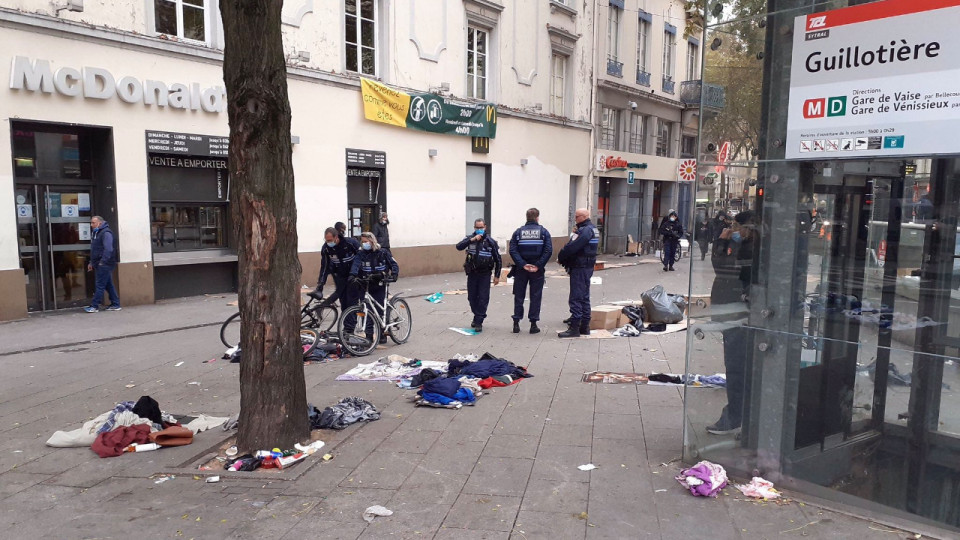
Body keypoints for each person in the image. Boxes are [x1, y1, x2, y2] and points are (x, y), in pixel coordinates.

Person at [707, 211, 756, 435]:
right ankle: (741, 417)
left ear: (748, 228)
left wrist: (723, 240)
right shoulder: (747, 245)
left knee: (737, 368)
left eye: (736, 226)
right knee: (739, 367)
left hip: (737, 314)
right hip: (734, 312)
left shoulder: (747, 248)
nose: (733, 229)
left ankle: (736, 417)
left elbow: (723, 268)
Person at [349, 231, 399, 343]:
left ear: (372, 241)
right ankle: (369, 336)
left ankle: (382, 334)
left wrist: (394, 274)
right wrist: (352, 275)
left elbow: (393, 263)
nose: (364, 244)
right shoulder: (361, 254)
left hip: (379, 284)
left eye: (366, 242)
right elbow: (356, 264)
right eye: (362, 242)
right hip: (365, 284)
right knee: (366, 310)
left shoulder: (382, 252)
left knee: (380, 310)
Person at [508, 208, 553, 334]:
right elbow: (548, 250)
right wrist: (538, 265)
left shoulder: (518, 232)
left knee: (519, 296)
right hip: (537, 270)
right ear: (537, 217)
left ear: (526, 217)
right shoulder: (543, 232)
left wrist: (522, 264)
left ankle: (516, 322)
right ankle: (533, 324)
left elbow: (513, 250)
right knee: (535, 296)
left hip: (521, 270)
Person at [557, 208, 599, 338]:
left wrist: (561, 256)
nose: (575, 219)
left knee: (576, 297)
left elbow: (573, 246)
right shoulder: (593, 229)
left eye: (577, 217)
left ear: (583, 217)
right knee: (584, 296)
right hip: (587, 266)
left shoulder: (585, 231)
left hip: (580, 266)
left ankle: (574, 327)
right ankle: (584, 326)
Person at [456, 218, 502, 332]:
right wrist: (472, 239)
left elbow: (498, 259)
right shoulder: (470, 239)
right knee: (471, 298)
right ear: (474, 228)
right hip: (472, 273)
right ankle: (477, 315)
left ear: (485, 227)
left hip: (485, 274)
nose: (479, 230)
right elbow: (459, 246)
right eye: (477, 228)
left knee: (483, 298)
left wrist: (497, 275)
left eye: (481, 228)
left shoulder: (491, 242)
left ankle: (479, 321)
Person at [316, 226, 359, 330]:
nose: (328, 242)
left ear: (336, 237)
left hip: (354, 276)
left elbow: (360, 258)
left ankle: (349, 330)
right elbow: (325, 266)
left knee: (351, 303)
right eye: (326, 240)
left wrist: (354, 273)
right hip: (339, 276)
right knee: (344, 303)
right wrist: (321, 283)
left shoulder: (350, 243)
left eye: (330, 240)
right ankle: (346, 328)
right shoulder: (326, 248)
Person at [84, 216, 121, 313]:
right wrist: (91, 262)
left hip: (105, 263)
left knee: (100, 285)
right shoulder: (97, 232)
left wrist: (102, 262)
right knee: (108, 284)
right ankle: (115, 304)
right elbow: (95, 250)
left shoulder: (106, 233)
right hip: (100, 263)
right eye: (91, 223)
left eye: (93, 223)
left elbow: (108, 249)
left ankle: (94, 306)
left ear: (99, 223)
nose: (91, 225)